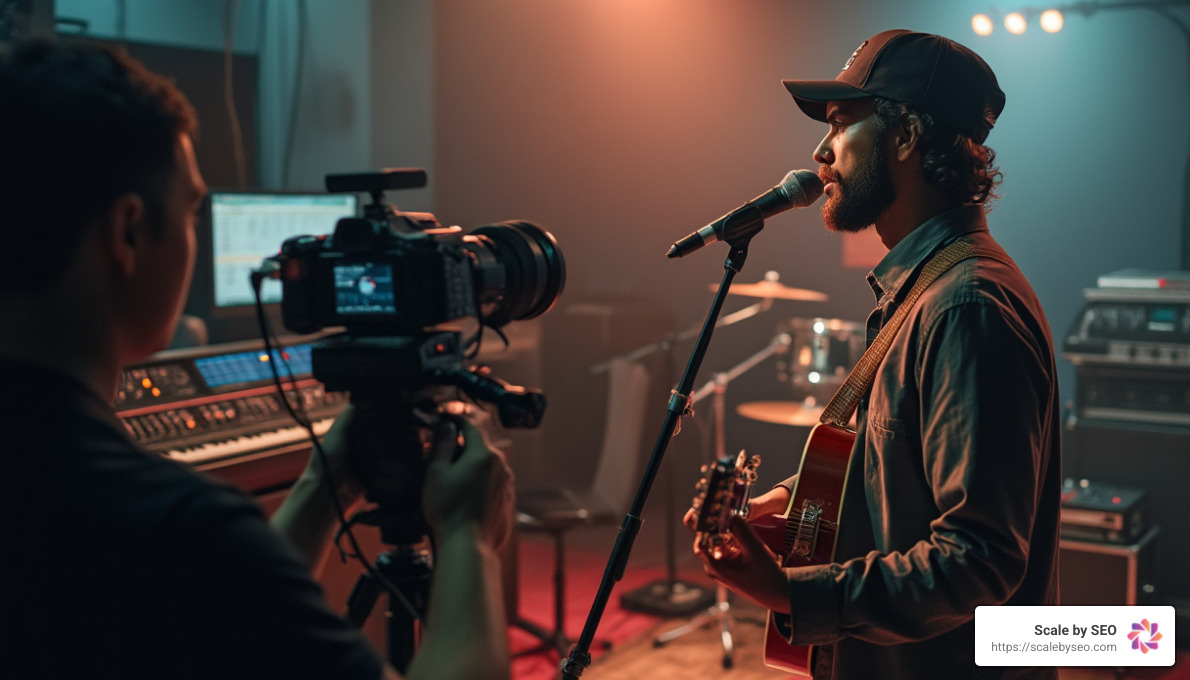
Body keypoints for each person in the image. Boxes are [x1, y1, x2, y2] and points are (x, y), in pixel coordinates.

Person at [0, 39, 512, 680]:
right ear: (127, 233)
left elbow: (222, 619)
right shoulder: (172, 528)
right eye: (191, 210)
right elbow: (214, 576)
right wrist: (467, 538)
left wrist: (322, 488)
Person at [690, 29, 1061, 679]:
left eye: (839, 122)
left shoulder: (966, 306)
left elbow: (979, 559)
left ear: (907, 136)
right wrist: (788, 500)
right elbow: (894, 475)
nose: (819, 151)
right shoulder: (924, 289)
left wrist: (790, 594)